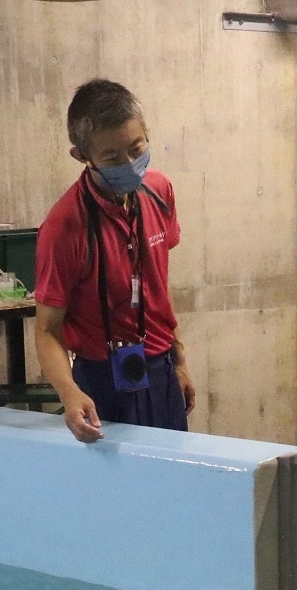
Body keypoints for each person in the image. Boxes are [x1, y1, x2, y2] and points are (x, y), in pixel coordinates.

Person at [34, 79, 195, 443]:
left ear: (146, 132)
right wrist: (70, 393)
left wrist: (180, 361)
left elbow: (157, 285)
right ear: (81, 155)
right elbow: (46, 330)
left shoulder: (160, 192)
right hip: (102, 380)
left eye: (137, 149)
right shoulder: (64, 228)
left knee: (171, 473)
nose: (130, 165)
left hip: (160, 370)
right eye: (112, 158)